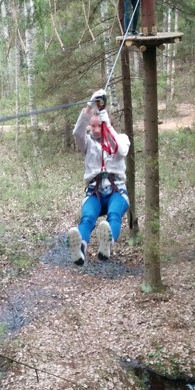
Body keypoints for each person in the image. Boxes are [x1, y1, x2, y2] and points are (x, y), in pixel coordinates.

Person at [67, 89, 130, 265]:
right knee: (87, 218)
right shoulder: (87, 143)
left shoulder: (122, 139)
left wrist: (105, 120)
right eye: (92, 126)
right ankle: (80, 249)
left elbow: (119, 150)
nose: (94, 130)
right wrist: (89, 106)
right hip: (94, 192)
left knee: (114, 215)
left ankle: (107, 244)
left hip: (117, 191)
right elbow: (77, 133)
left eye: (98, 126)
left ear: (106, 124)